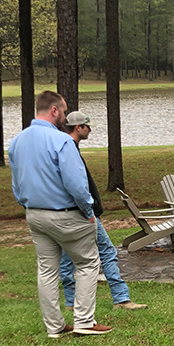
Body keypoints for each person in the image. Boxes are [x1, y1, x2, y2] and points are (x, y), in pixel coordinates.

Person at [8, 90, 111, 338]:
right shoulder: (62, 141)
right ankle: (84, 321)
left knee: (46, 269)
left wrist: (27, 205)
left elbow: (16, 184)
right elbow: (76, 184)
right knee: (87, 263)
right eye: (63, 111)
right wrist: (88, 211)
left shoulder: (17, 141)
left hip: (34, 214)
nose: (64, 116)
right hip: (66, 214)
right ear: (54, 110)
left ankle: (54, 326)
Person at [59, 111, 146, 311]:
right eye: (87, 126)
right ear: (79, 127)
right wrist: (89, 211)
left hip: (66, 214)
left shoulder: (63, 149)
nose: (90, 129)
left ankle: (71, 302)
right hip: (83, 213)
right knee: (107, 251)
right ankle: (121, 299)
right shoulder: (70, 151)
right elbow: (77, 187)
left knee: (66, 258)